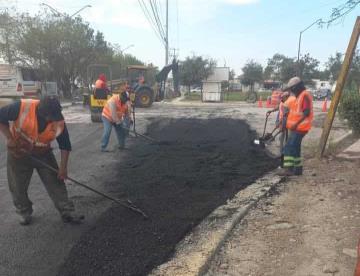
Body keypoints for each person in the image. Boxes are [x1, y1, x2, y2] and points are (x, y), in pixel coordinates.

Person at [0, 96, 84, 225]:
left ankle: (67, 211)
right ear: (41, 112)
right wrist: (10, 138)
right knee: (17, 186)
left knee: (56, 182)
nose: (53, 120)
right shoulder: (21, 107)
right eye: (51, 117)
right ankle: (24, 212)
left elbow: (65, 145)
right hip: (19, 153)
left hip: (43, 153)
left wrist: (63, 168)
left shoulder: (58, 119)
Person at [277, 77, 313, 176]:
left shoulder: (304, 95)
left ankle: (288, 169)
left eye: (291, 88)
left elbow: (306, 112)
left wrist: (295, 124)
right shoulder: (299, 96)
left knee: (289, 147)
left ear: (296, 87)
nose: (290, 91)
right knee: (296, 148)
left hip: (300, 128)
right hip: (298, 128)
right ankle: (298, 170)